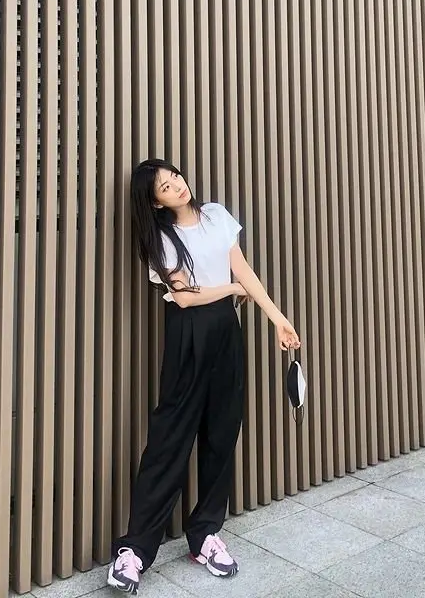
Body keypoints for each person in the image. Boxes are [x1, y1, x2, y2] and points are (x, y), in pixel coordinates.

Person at [107, 159, 301, 594]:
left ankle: (206, 534)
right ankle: (135, 549)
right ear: (155, 202)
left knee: (222, 433)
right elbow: (184, 297)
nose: (175, 185)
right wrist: (232, 289)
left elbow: (243, 270)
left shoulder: (216, 215)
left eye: (174, 176)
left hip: (226, 331)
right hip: (189, 333)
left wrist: (277, 319)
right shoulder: (161, 237)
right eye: (163, 186)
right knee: (170, 438)